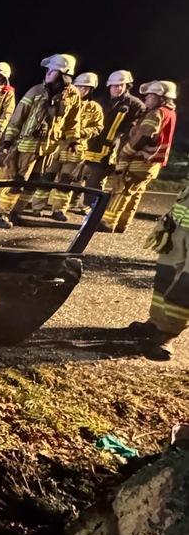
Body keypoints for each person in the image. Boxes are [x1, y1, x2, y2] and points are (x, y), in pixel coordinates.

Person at [0, 53, 81, 229]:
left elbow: (73, 122)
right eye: (48, 70)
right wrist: (8, 141)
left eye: (52, 70)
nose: (47, 73)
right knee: (17, 181)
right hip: (27, 145)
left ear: (64, 73)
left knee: (33, 183)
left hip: (49, 147)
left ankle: (15, 213)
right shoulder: (36, 91)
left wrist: (73, 141)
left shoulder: (72, 95)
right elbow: (18, 117)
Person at [99, 80, 177, 233]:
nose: (146, 98)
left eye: (150, 95)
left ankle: (107, 222)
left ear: (161, 97)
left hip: (141, 160)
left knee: (123, 190)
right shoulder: (169, 112)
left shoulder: (156, 112)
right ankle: (122, 224)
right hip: (152, 164)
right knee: (134, 194)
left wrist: (126, 151)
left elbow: (145, 135)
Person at [126, 176, 189, 360]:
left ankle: (167, 335)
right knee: (165, 275)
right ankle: (156, 323)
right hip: (179, 228)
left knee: (185, 286)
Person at [28, 71, 104, 220]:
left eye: (86, 88)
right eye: (80, 87)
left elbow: (98, 127)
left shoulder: (94, 108)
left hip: (75, 150)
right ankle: (37, 207)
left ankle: (59, 210)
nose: (82, 90)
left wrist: (82, 132)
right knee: (46, 178)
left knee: (66, 181)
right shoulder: (65, 100)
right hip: (56, 146)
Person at [79, 70, 144, 208]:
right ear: (109, 85)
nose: (119, 88)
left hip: (112, 148)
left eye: (122, 85)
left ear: (127, 86)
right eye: (115, 85)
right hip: (91, 144)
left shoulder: (135, 104)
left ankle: (91, 205)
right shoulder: (100, 100)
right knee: (80, 174)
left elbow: (134, 129)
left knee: (97, 177)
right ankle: (76, 202)